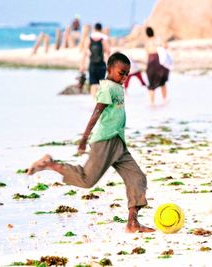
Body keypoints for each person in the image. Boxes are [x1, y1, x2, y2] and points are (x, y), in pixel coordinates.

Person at [27, 52, 155, 233]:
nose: (125, 77)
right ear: (109, 70)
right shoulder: (107, 88)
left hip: (118, 141)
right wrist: (84, 138)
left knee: (137, 178)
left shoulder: (118, 86)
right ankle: (50, 164)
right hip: (104, 142)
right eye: (121, 73)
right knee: (87, 180)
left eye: (127, 73)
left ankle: (132, 223)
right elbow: (96, 113)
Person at [80, 22, 110, 98]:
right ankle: (100, 102)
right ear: (101, 29)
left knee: (93, 84)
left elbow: (84, 53)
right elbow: (108, 52)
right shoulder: (103, 39)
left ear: (94, 28)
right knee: (102, 84)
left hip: (92, 64)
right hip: (101, 64)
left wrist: (82, 65)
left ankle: (92, 102)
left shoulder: (89, 38)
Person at [145, 26, 170, 106]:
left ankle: (152, 103)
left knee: (151, 84)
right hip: (158, 61)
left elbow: (146, 54)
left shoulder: (147, 43)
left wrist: (146, 66)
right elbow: (166, 46)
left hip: (150, 62)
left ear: (147, 34)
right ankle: (164, 100)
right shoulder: (157, 40)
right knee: (162, 82)